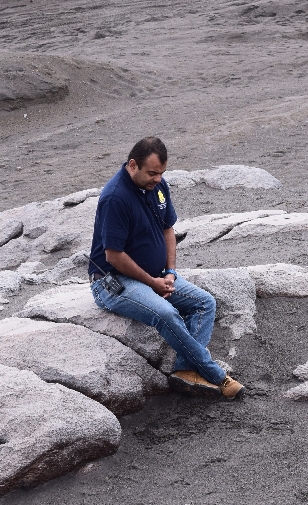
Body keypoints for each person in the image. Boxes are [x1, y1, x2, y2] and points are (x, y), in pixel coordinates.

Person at [89, 136, 244, 400]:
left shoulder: (158, 187)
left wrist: (170, 271)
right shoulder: (115, 197)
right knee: (165, 312)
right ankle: (216, 374)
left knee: (204, 302)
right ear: (132, 165)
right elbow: (113, 256)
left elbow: (168, 229)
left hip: (157, 275)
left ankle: (185, 373)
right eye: (152, 173)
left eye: (161, 173)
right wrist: (152, 282)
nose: (157, 179)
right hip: (111, 281)